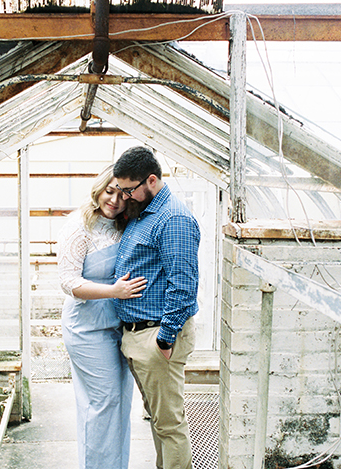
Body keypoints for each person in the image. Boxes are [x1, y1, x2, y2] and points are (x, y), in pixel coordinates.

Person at [113, 146, 200, 469]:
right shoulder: (143, 213)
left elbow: (184, 284)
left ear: (151, 180)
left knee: (170, 424)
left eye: (129, 189)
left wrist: (165, 339)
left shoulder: (173, 218)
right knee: (159, 421)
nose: (125, 197)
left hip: (157, 337)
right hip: (139, 335)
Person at [57, 164, 148, 469]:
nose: (115, 200)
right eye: (110, 192)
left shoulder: (123, 225)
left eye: (123, 194)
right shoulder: (78, 226)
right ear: (98, 189)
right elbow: (69, 283)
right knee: (103, 404)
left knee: (119, 404)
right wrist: (115, 292)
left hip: (114, 328)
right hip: (87, 330)